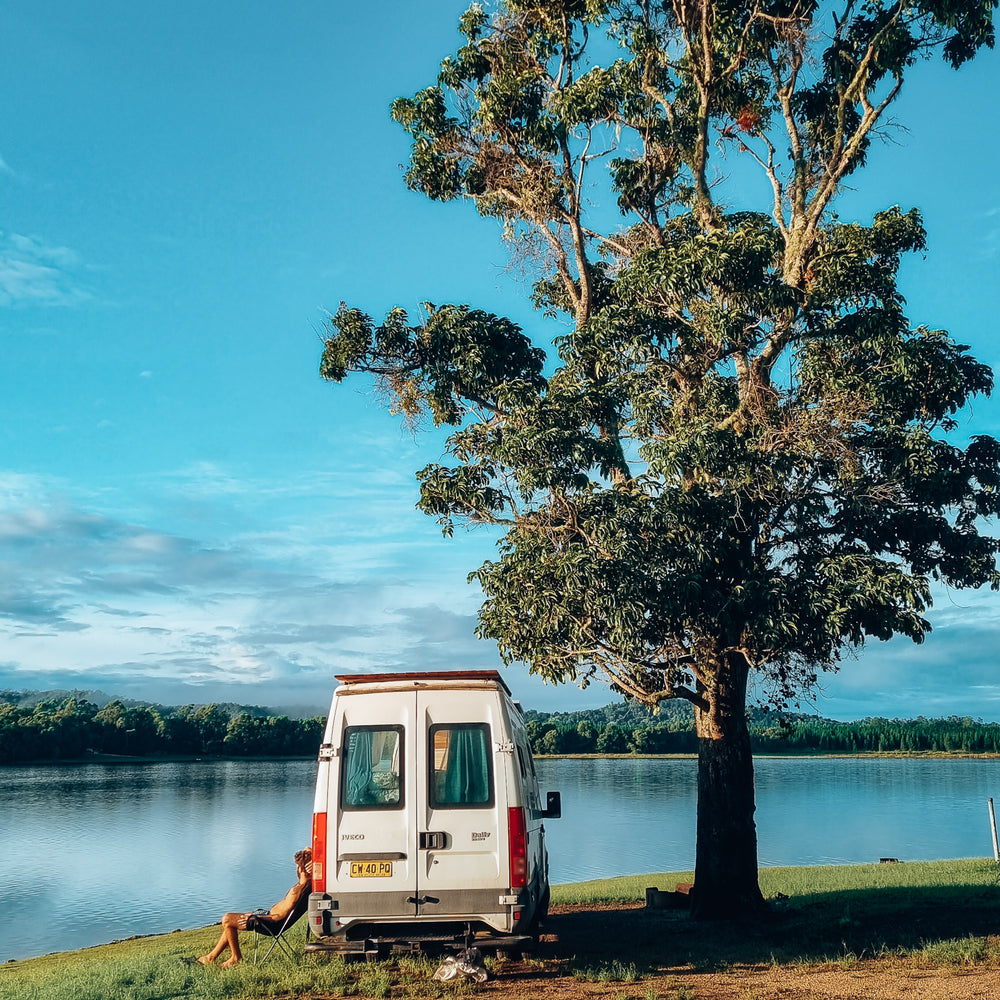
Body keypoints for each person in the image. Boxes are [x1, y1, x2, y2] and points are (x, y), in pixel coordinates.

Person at [196, 848, 312, 968]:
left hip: (271, 923)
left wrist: (256, 917)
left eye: (297, 866)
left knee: (227, 919)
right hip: (267, 915)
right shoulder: (304, 886)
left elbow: (279, 917)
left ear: (301, 869)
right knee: (231, 921)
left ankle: (236, 958)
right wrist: (312, 859)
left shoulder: (296, 891)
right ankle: (210, 957)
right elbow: (307, 848)